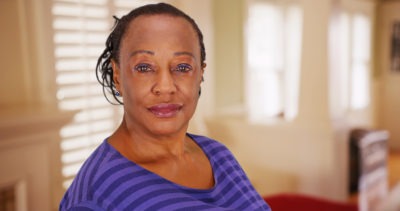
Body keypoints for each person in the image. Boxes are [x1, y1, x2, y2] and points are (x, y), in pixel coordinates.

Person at [59, 2, 270, 210]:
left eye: (182, 67)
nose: (166, 87)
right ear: (118, 76)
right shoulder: (97, 195)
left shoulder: (219, 155)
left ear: (200, 75)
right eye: (144, 67)